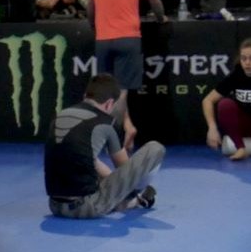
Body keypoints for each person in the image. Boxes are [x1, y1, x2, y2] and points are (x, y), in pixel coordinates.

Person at [44, 73, 165, 220]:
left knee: (84, 162)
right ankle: (135, 198)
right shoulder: (109, 123)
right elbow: (126, 171)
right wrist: (132, 191)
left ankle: (128, 199)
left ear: (85, 96)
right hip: (87, 208)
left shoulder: (60, 115)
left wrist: (110, 181)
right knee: (155, 148)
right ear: (109, 104)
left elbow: (88, 159)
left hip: (55, 206)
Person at [87, 0, 166, 96]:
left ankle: (112, 113)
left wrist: (93, 26)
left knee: (106, 91)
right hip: (128, 37)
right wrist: (161, 18)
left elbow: (91, 7)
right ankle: (121, 113)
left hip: (103, 39)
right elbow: (154, 0)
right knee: (123, 91)